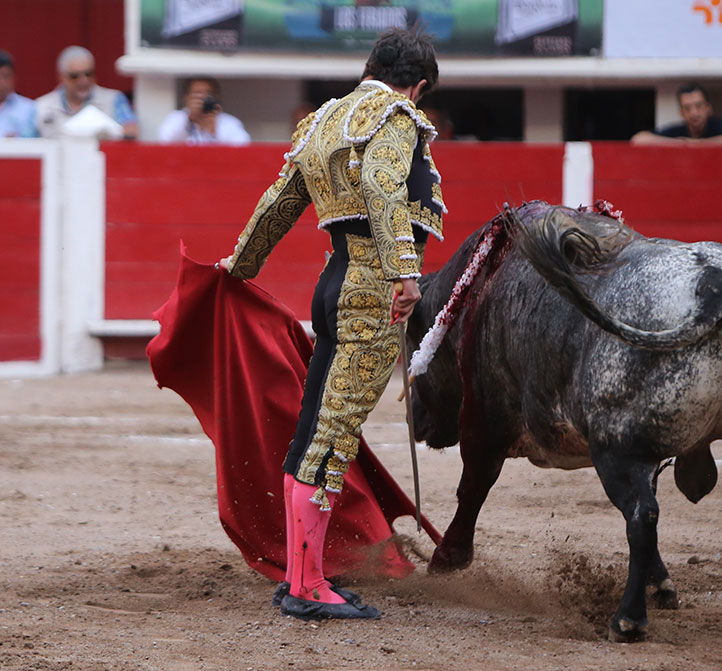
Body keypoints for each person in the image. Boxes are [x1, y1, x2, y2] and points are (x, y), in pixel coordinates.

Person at [218, 28, 444, 622]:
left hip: (332, 282)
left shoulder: (322, 120)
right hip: (369, 292)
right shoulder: (398, 116)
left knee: (313, 432)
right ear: (418, 86)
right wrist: (405, 274)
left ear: (369, 67)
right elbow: (381, 185)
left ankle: (301, 575)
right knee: (331, 437)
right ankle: (308, 585)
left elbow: (280, 202)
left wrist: (238, 267)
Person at [34, 46, 138, 140]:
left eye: (88, 74)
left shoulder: (113, 100)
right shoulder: (41, 106)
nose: (83, 80)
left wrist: (112, 132)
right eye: (75, 76)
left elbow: (132, 131)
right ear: (62, 77)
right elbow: (30, 142)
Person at [631, 83, 722, 145]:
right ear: (681, 112)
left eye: (699, 106)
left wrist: (696, 144)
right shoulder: (677, 131)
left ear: (708, 108)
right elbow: (638, 140)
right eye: (687, 108)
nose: (694, 113)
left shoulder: (718, 125)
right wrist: (680, 143)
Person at [157, 77, 250, 145]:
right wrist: (189, 120)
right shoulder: (176, 118)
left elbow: (243, 146)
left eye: (209, 93)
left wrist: (214, 129)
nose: (203, 98)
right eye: (197, 93)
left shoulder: (229, 122)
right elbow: (165, 142)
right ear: (186, 97)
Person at [0, 50, 37, 138]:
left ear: (13, 77)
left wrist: (18, 140)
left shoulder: (29, 108)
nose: (1, 82)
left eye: (5, 76)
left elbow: (35, 140)